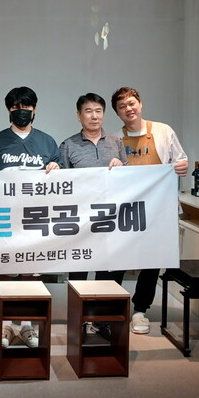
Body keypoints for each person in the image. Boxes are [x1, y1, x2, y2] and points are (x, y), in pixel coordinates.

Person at [96, 86, 188, 335]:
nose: (129, 109)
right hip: (127, 210)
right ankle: (111, 308)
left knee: (151, 261)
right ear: (117, 113)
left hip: (159, 208)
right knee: (117, 259)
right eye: (122, 106)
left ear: (140, 104)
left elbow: (180, 160)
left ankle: (140, 310)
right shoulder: (115, 139)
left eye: (131, 103)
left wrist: (181, 167)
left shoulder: (163, 131)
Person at [0, 86, 60, 349]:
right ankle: (5, 325)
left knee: (31, 272)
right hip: (5, 217)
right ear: (9, 110)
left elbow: (62, 179)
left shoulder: (47, 142)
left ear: (34, 109)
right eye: (16, 107)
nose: (21, 111)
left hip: (36, 218)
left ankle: (27, 325)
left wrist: (56, 168)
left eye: (26, 106)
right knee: (6, 270)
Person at [59, 92, 127, 281]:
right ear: (79, 115)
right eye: (88, 111)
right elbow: (62, 183)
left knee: (108, 272)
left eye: (98, 111)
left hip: (111, 218)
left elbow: (128, 178)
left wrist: (121, 167)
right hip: (81, 220)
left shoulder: (116, 142)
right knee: (78, 272)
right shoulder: (68, 145)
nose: (94, 116)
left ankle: (104, 300)